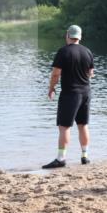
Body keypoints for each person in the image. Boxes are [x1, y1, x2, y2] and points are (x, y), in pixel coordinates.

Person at [43, 25, 94, 169]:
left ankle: (61, 159)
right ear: (80, 36)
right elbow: (91, 73)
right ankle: (85, 156)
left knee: (64, 127)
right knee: (83, 125)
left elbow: (55, 74)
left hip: (70, 94)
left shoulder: (63, 52)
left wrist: (51, 87)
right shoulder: (88, 52)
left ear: (67, 35)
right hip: (86, 93)